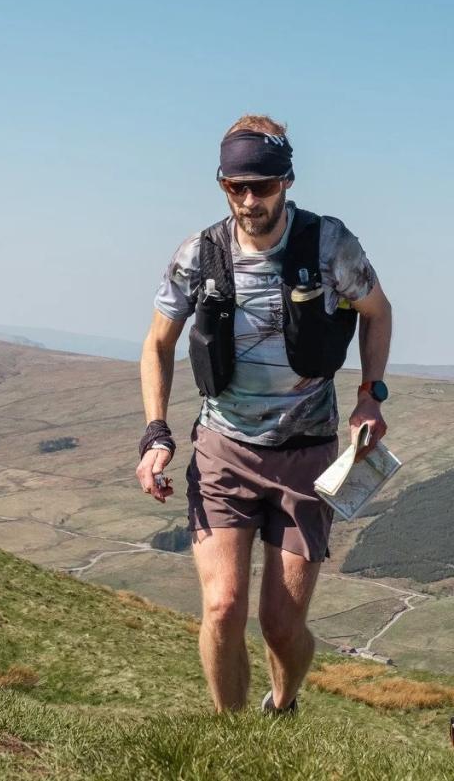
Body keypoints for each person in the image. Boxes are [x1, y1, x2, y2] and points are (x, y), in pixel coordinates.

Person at [136, 113, 392, 714]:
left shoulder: (329, 244)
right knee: (223, 607)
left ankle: (283, 704)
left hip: (307, 453)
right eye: (236, 186)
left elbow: (377, 312)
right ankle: (234, 738)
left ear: (288, 180)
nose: (250, 199)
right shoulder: (199, 253)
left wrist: (368, 394)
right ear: (222, 184)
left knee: (282, 624)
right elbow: (156, 344)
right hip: (223, 449)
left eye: (264, 185)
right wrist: (155, 433)